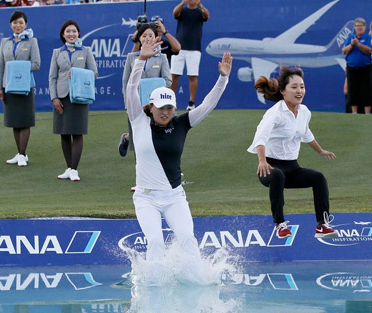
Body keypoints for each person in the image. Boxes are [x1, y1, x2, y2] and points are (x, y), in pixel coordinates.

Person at [127, 35, 232, 275]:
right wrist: (141, 60)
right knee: (154, 241)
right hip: (146, 198)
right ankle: (153, 285)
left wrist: (222, 78)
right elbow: (131, 89)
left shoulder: (182, 123)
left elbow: (207, 105)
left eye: (169, 108)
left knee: (187, 238)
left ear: (174, 108)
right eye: (160, 108)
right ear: (150, 107)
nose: (165, 112)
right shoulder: (138, 120)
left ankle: (194, 282)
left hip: (174, 196)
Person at [248, 66, 339, 239]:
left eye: (302, 87)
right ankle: (280, 224)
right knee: (278, 176)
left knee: (318, 177)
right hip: (270, 168)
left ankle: (322, 225)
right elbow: (260, 137)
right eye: (294, 87)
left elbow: (306, 134)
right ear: (283, 91)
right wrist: (261, 161)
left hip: (293, 168)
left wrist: (321, 151)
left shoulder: (304, 112)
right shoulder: (274, 113)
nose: (299, 91)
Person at [48, 20, 98, 182]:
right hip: (61, 96)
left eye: (74, 31)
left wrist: (77, 73)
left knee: (77, 132)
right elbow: (52, 77)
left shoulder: (86, 50)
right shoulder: (57, 52)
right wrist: (54, 97)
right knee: (64, 133)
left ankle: (74, 169)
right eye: (68, 31)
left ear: (78, 33)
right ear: (63, 34)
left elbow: (94, 73)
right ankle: (69, 168)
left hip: (80, 96)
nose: (71, 34)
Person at [118, 23, 172, 157]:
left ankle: (127, 137)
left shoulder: (162, 57)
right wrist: (127, 105)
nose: (147, 38)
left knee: (156, 137)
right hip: (136, 104)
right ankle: (128, 140)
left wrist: (154, 88)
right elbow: (126, 82)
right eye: (144, 36)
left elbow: (168, 80)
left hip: (156, 105)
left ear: (155, 38)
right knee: (139, 141)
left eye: (150, 35)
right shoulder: (131, 57)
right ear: (139, 38)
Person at [0, 10, 40, 167]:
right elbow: (1, 65)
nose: (18, 25)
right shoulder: (5, 42)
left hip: (25, 86)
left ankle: (22, 154)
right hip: (9, 87)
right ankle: (20, 152)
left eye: (21, 22)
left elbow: (36, 64)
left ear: (26, 24)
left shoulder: (31, 41)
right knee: (14, 121)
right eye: (15, 22)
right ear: (10, 24)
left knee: (25, 120)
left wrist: (17, 67)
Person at [170, 0, 209, 111]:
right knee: (174, 75)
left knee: (192, 75)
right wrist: (183, 2)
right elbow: (174, 13)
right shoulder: (182, 10)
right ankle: (170, 100)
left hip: (194, 49)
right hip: (178, 48)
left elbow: (207, 15)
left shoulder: (199, 12)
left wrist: (200, 5)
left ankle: (191, 103)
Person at [342, 17, 372, 114]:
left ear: (365, 27)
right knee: (352, 90)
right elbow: (344, 51)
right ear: (354, 27)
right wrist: (352, 45)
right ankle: (354, 113)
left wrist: (358, 45)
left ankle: (367, 113)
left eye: (361, 26)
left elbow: (369, 51)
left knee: (366, 90)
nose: (359, 28)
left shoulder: (368, 38)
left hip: (365, 69)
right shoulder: (350, 38)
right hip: (352, 69)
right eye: (357, 26)